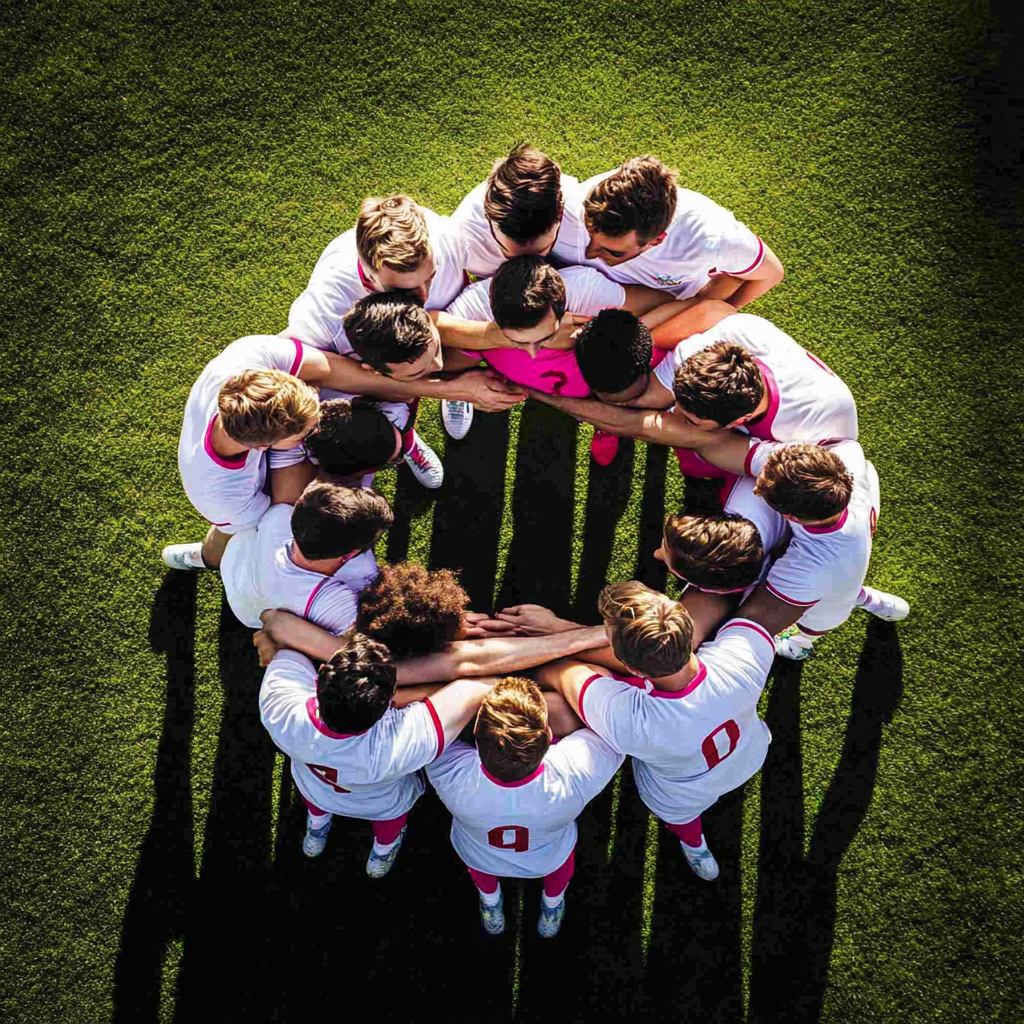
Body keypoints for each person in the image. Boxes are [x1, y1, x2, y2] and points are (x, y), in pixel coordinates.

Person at [537, 582, 776, 881]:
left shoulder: (630, 723)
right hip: (751, 752)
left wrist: (543, 637)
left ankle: (693, 842)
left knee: (682, 818)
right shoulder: (743, 654)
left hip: (680, 794)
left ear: (635, 669)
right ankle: (693, 843)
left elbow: (563, 671)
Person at [286, 193, 525, 459]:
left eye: (431, 277)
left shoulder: (445, 236)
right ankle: (405, 441)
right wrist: (449, 388)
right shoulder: (324, 309)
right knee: (397, 392)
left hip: (443, 325)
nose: (424, 296)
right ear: (366, 272)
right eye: (404, 290)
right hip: (387, 370)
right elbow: (318, 372)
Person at [260, 633, 496, 872]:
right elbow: (474, 687)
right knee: (389, 825)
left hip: (314, 788)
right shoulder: (401, 742)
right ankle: (382, 852)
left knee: (316, 805)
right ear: (391, 700)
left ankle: (317, 826)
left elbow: (286, 645)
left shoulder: (278, 709)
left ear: (321, 673)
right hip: (381, 805)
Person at [524, 311, 857, 478]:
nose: (675, 410)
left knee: (701, 464)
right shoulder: (733, 334)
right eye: (678, 403)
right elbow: (647, 402)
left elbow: (644, 425)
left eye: (689, 416)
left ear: (737, 422)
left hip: (799, 464)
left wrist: (546, 397)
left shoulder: (803, 435)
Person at [164, 333, 385, 570]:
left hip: (234, 474)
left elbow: (326, 368)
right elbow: (279, 515)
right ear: (263, 447)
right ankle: (206, 558)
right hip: (233, 509)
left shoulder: (245, 360)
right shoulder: (226, 496)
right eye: (305, 434)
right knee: (237, 536)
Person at [427, 677, 623, 937]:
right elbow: (614, 730)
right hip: (548, 857)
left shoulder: (450, 774)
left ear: (475, 735)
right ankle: (552, 907)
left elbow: (436, 729)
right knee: (560, 870)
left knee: (481, 872)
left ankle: (490, 902)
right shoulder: (574, 772)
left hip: (479, 853)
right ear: (549, 734)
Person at [689, 433, 910, 658]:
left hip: (826, 608)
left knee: (815, 623)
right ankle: (871, 600)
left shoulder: (807, 567)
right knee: (845, 586)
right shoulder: (846, 456)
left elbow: (756, 615)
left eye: (761, 489)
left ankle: (797, 646)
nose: (755, 489)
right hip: (848, 563)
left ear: (791, 517)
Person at [254, 561, 613, 692]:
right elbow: (473, 660)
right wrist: (569, 630)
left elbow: (276, 620)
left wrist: (280, 645)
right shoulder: (435, 670)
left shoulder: (348, 661)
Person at [551, 155, 784, 308]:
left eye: (613, 251)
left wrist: (718, 311)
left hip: (659, 308)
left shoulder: (711, 238)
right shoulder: (581, 201)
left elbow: (771, 273)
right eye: (591, 236)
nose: (590, 253)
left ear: (655, 241)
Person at [219, 482, 391, 633]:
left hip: (236, 574)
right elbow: (367, 645)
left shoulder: (279, 515)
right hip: (250, 613)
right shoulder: (336, 602)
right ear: (350, 554)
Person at [449, 143, 574, 279]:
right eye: (510, 253)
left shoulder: (573, 202)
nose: (529, 264)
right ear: (489, 217)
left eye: (542, 250)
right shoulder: (462, 239)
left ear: (561, 213)